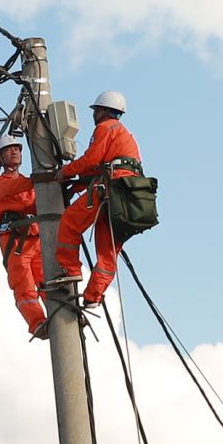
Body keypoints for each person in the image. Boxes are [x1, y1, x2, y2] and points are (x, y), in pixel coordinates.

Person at [59, 91, 143, 308]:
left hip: (110, 188)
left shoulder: (105, 128)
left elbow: (91, 160)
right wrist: (75, 186)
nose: (94, 114)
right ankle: (92, 297)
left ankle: (70, 270)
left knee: (69, 222)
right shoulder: (123, 135)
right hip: (127, 199)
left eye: (96, 110)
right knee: (107, 254)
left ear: (105, 110)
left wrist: (65, 173)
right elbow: (98, 168)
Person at [0, 139, 55, 335]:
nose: (14, 152)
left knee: (49, 280)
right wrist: (37, 180)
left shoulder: (31, 184)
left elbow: (43, 201)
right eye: (9, 150)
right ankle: (37, 322)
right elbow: (11, 189)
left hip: (36, 238)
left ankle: (60, 316)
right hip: (14, 240)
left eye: (17, 148)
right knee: (23, 282)